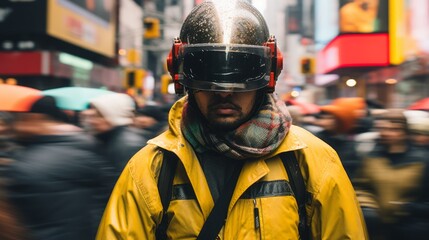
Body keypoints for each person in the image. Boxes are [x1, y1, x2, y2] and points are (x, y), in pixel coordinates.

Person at [97, 1, 367, 239]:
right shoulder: (150, 169)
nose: (225, 92)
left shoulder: (314, 162)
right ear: (181, 77)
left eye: (241, 75)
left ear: (269, 75)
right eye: (207, 74)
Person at [3, 96, 116, 240]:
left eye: (21, 120)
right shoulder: (87, 146)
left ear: (35, 119)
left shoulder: (26, 166)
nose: (17, 126)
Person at [80, 92, 148, 178]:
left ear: (113, 117)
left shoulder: (128, 145)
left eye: (99, 116)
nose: (92, 121)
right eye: (92, 116)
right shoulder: (104, 139)